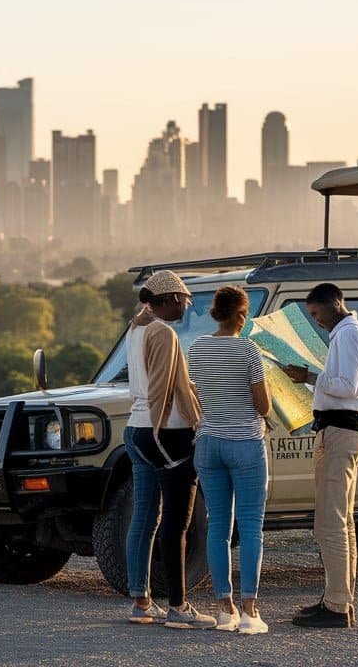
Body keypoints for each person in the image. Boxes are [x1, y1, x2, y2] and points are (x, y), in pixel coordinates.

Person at [122, 269, 216, 629]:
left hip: (135, 429)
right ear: (170, 299)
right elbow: (162, 389)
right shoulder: (163, 332)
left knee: (145, 519)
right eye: (185, 301)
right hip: (165, 433)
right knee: (178, 521)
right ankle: (179, 606)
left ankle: (141, 602)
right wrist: (173, 435)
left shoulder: (136, 327)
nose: (187, 308)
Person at [283, 283, 358, 629]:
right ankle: (338, 599)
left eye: (316, 314)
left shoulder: (348, 334)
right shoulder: (353, 332)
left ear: (333, 304)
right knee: (343, 523)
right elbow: (339, 385)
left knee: (330, 524)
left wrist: (310, 376)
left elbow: (347, 387)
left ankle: (337, 607)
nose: (316, 322)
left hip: (340, 432)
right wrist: (309, 381)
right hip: (345, 430)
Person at [188, 286, 271, 634]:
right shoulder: (249, 351)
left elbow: (197, 395)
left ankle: (225, 608)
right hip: (246, 444)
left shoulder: (196, 349)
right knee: (251, 527)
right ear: (241, 314)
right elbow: (263, 406)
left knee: (218, 527)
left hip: (208, 443)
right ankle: (250, 611)